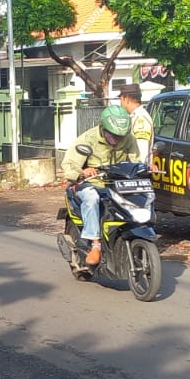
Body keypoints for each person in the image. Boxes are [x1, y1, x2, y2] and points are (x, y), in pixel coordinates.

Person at [59, 104, 136, 266]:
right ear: (103, 128)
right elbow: (68, 166)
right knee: (92, 197)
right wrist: (83, 172)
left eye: (121, 136)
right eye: (114, 135)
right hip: (88, 184)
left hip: (116, 185)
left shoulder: (128, 138)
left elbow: (136, 162)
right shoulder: (87, 139)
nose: (117, 140)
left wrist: (145, 168)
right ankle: (95, 244)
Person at [118, 84, 154, 167]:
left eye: (121, 99)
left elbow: (141, 150)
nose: (121, 103)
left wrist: (138, 168)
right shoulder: (134, 117)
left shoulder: (140, 119)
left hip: (136, 171)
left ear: (126, 99)